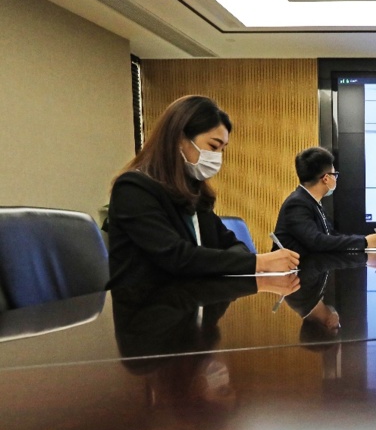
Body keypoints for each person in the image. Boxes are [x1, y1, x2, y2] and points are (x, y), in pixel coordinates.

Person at [107, 95, 299, 289]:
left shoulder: (192, 194)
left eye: (222, 150)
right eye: (213, 146)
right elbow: (177, 257)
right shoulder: (133, 188)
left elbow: (234, 245)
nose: (216, 157)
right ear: (179, 139)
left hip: (192, 301)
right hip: (148, 308)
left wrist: (235, 261)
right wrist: (260, 262)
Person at [272, 147, 376, 254]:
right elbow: (317, 242)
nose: (336, 179)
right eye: (335, 175)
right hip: (294, 271)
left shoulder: (311, 201)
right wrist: (364, 242)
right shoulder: (297, 204)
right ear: (326, 178)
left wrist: (365, 241)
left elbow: (331, 236)